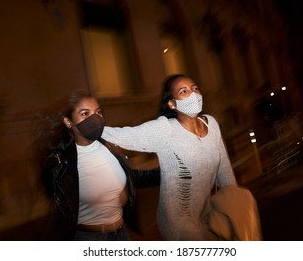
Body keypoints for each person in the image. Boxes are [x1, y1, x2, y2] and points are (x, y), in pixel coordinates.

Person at [101, 74, 238, 240]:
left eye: (195, 88)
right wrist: (91, 128)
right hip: (178, 220)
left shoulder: (211, 123)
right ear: (172, 104)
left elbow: (224, 169)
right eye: (184, 91)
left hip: (208, 212)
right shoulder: (165, 129)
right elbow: (126, 136)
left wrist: (234, 203)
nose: (193, 94)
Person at [31, 90, 158, 241]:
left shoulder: (109, 147)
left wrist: (171, 172)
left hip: (121, 234)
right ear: (68, 121)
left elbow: (132, 176)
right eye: (85, 113)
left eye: (98, 112)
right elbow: (59, 205)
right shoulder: (61, 163)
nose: (95, 118)